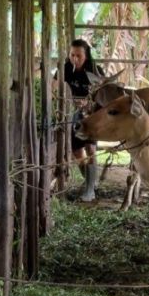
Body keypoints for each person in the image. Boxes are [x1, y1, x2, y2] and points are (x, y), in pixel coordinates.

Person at [55, 39, 104, 202]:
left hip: (90, 116)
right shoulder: (65, 69)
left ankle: (90, 191)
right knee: (77, 152)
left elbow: (102, 96)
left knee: (90, 149)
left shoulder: (96, 71)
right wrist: (69, 100)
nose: (75, 59)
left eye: (79, 56)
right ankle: (90, 181)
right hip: (70, 114)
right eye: (72, 55)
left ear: (87, 56)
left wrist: (88, 103)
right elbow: (55, 88)